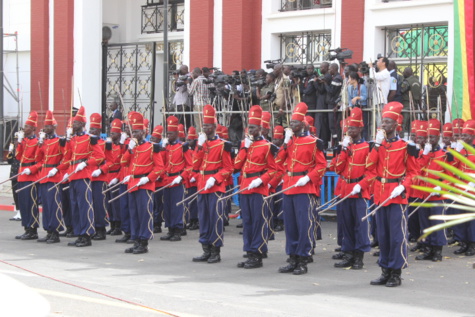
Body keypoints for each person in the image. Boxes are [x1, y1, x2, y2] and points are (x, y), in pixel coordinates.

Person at [360, 101, 418, 287]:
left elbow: (414, 173)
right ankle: (385, 270)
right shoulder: (379, 145)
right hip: (380, 194)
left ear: (396, 125)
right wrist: (377, 146)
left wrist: (404, 186)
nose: (382, 125)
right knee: (382, 236)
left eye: (386, 122)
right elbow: (369, 166)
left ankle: (396, 272)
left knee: (396, 236)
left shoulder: (405, 146)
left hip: (396, 195)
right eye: (382, 121)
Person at [275, 102, 327, 275]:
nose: (292, 126)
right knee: (290, 225)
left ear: (303, 124)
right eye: (291, 123)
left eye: (295, 123)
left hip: (304, 188)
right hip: (289, 187)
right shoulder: (289, 143)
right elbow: (278, 161)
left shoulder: (313, 142)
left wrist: (308, 177)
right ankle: (292, 257)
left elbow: (321, 166)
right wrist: (285, 142)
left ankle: (303, 258)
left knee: (304, 224)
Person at [234, 105, 277, 269]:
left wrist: (261, 180)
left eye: (252, 127)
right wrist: (244, 148)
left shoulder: (267, 146)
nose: (249, 130)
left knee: (259, 221)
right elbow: (236, 166)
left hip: (258, 187)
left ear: (260, 128)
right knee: (248, 221)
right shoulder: (246, 144)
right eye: (248, 127)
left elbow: (274, 169)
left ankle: (257, 253)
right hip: (245, 186)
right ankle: (249, 251)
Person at [192, 105, 233, 264]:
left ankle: (215, 250)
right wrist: (200, 147)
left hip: (215, 186)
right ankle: (205, 249)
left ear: (215, 127)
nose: (206, 129)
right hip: (202, 185)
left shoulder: (223, 145)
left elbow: (228, 168)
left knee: (215, 218)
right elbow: (195, 165)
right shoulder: (201, 144)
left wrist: (215, 178)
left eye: (208, 126)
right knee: (203, 218)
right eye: (204, 126)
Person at [59, 106, 105, 247]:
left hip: (83, 175)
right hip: (73, 175)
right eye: (73, 123)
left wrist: (86, 163)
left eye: (76, 124)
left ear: (83, 125)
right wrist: (60, 170)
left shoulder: (89, 139)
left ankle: (86, 235)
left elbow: (100, 156)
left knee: (84, 205)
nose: (74, 126)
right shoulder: (72, 140)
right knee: (75, 206)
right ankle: (79, 233)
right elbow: (67, 157)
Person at [333, 107, 371, 269]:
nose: (350, 131)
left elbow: (371, 173)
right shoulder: (346, 147)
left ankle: (358, 256)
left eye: (353, 128)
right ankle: (348, 253)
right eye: (349, 128)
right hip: (345, 189)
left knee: (359, 225)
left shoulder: (367, 147)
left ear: (360, 128)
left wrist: (360, 185)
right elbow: (337, 168)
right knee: (346, 223)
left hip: (359, 190)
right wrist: (344, 150)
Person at [120, 112, 164, 254]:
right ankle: (136, 239)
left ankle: (143, 242)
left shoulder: (152, 147)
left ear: (144, 132)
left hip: (145, 184)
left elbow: (160, 168)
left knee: (144, 213)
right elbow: (123, 162)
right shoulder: (133, 147)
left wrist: (149, 178)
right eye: (133, 132)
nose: (135, 134)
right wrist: (129, 149)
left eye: (138, 132)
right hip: (133, 183)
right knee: (134, 213)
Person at [415, 119, 450, 261]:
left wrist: (441, 186)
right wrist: (424, 155)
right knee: (425, 223)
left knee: (437, 224)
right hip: (424, 194)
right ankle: (427, 249)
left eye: (432, 137)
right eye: (428, 137)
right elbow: (417, 170)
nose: (429, 140)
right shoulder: (424, 153)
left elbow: (450, 176)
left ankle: (437, 251)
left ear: (438, 138)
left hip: (437, 196)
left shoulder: (444, 154)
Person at [33, 110, 66, 244]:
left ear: (53, 127)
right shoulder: (44, 142)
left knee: (54, 205)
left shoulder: (59, 141)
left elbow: (66, 159)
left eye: (47, 126)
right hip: (44, 175)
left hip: (53, 175)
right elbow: (38, 158)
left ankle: (55, 232)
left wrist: (57, 169)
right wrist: (40, 144)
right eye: (44, 126)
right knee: (46, 205)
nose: (45, 128)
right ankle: (48, 230)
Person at [159, 116, 192, 242]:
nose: (169, 136)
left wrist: (181, 177)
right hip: (167, 180)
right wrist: (162, 150)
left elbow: (190, 166)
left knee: (177, 207)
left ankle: (178, 229)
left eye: (171, 133)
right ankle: (170, 229)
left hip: (178, 180)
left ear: (177, 134)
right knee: (167, 206)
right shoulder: (167, 147)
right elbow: (162, 163)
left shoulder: (182, 146)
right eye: (167, 133)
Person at [14, 111, 40, 240]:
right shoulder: (24, 141)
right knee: (23, 203)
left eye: (27, 127)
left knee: (31, 203)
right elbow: (18, 157)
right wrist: (19, 142)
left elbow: (41, 161)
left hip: (31, 175)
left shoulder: (36, 142)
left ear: (33, 128)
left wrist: (32, 169)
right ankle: (26, 227)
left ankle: (33, 229)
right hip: (21, 174)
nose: (25, 129)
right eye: (25, 126)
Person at [451, 120, 475, 256]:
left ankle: (472, 244)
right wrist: (456, 152)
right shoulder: (461, 151)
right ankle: (463, 242)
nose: (463, 138)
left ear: (472, 136)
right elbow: (452, 167)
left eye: (466, 135)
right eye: (462, 135)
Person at [89, 113, 110, 240]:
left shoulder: (104, 144)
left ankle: (101, 229)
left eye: (93, 129)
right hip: (88, 177)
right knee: (89, 204)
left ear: (99, 130)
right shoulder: (87, 143)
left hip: (99, 178)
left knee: (99, 204)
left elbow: (111, 161)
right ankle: (92, 227)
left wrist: (101, 170)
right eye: (90, 129)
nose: (91, 132)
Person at [103, 119, 123, 236]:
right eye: (111, 133)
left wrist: (118, 177)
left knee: (116, 203)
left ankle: (118, 225)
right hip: (108, 175)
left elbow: (121, 164)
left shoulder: (121, 147)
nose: (112, 135)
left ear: (119, 134)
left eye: (114, 133)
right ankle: (112, 224)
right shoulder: (109, 146)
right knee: (109, 203)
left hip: (116, 174)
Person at [183, 126, 199, 230]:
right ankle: (191, 220)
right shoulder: (189, 150)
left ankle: (196, 221)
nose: (188, 142)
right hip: (189, 179)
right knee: (190, 203)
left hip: (196, 180)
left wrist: (195, 176)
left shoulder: (198, 149)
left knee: (195, 203)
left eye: (190, 140)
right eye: (187, 140)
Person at [324, 63, 343, 147]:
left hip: (333, 104)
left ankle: (336, 143)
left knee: (333, 125)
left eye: (330, 69)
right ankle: (334, 142)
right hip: (331, 103)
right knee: (331, 125)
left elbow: (331, 91)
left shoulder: (337, 79)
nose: (329, 70)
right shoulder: (334, 78)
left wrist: (325, 83)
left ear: (334, 69)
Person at [400, 67, 421, 135]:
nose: (403, 73)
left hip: (406, 105)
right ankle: (413, 138)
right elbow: (419, 96)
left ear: (407, 73)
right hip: (415, 106)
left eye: (404, 72)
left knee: (403, 124)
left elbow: (402, 90)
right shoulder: (418, 81)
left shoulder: (406, 81)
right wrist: (420, 107)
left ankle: (402, 138)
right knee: (413, 125)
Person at [347, 72, 368, 139]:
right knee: (354, 125)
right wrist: (350, 107)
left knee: (363, 125)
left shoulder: (362, 87)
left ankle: (364, 139)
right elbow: (349, 98)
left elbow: (365, 97)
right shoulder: (350, 88)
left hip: (362, 108)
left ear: (354, 79)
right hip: (354, 109)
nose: (348, 80)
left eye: (349, 78)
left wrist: (357, 98)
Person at [7, 137, 21, 220]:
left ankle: (21, 213)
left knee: (20, 195)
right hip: (13, 175)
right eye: (14, 140)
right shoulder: (14, 151)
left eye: (16, 140)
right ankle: (18, 212)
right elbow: (9, 161)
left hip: (19, 175)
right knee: (15, 195)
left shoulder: (21, 150)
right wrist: (10, 152)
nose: (15, 142)